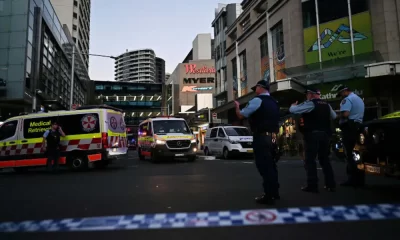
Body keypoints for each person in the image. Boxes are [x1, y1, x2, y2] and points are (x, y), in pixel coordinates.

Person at [234, 80, 280, 205]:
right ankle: (274, 191)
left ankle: (269, 195)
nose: (255, 90)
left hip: (262, 137)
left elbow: (242, 115)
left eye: (256, 88)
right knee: (272, 165)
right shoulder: (275, 102)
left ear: (261, 88)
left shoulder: (257, 100)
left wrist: (237, 107)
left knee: (264, 166)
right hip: (274, 137)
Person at [289, 89, 337, 193]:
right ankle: (330, 184)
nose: (306, 96)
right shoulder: (327, 105)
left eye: (307, 94)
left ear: (311, 94)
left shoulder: (311, 103)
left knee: (310, 160)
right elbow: (334, 116)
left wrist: (293, 105)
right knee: (325, 160)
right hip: (325, 135)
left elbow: (293, 110)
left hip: (313, 134)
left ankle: (312, 185)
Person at [336, 85, 365, 187]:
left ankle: (352, 179)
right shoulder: (358, 99)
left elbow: (346, 114)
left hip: (349, 128)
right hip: (358, 127)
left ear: (344, 91)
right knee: (358, 153)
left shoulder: (347, 100)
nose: (341, 96)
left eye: (341, 94)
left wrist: (337, 115)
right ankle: (360, 179)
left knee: (349, 154)